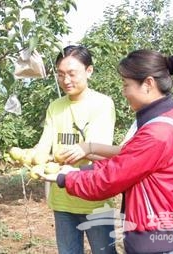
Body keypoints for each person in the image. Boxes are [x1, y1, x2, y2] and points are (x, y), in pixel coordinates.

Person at [41, 49, 173, 254]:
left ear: (148, 83)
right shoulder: (171, 117)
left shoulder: (156, 133)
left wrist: (65, 178)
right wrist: (80, 171)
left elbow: (110, 179)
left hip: (155, 238)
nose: (124, 92)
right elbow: (125, 161)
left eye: (126, 85)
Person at [33, 45, 117, 254]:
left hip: (94, 198)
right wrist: (31, 157)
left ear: (89, 71)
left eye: (72, 74)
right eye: (60, 75)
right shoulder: (55, 106)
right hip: (62, 198)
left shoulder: (102, 104)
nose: (66, 80)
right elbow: (45, 144)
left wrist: (84, 150)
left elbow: (102, 151)